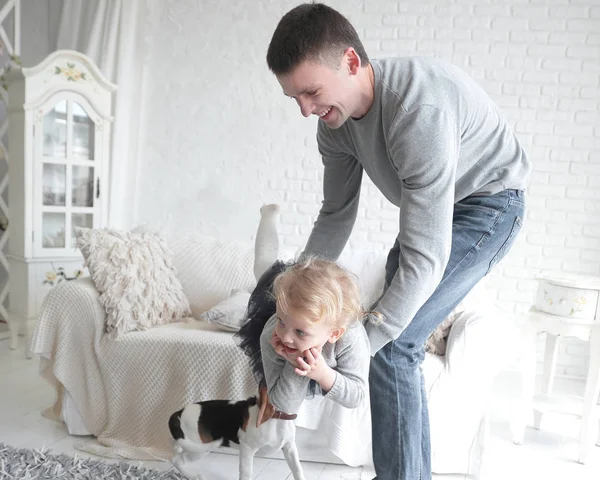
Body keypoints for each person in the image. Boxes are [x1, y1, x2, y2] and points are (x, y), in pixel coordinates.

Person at [265, 3, 531, 480]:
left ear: (350, 62)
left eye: (311, 92)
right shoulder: (335, 123)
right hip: (434, 210)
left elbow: (427, 255)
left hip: (489, 204)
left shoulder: (417, 110)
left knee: (393, 343)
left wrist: (364, 336)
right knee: (385, 340)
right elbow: (335, 214)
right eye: (294, 99)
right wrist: (298, 292)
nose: (305, 110)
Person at [237, 257, 371, 415]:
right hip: (273, 310)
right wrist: (296, 362)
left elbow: (357, 397)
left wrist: (323, 374)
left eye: (300, 332)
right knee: (266, 274)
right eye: (281, 322)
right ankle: (265, 257)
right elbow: (285, 405)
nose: (285, 337)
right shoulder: (271, 335)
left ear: (334, 333)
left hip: (339, 338)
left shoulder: (351, 337)